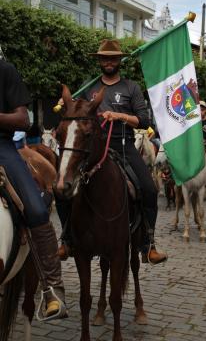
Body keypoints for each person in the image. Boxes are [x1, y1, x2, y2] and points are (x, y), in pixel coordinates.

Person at [58, 39, 167, 265]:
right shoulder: (88, 86)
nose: (108, 62)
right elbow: (77, 110)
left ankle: (148, 244)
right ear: (99, 60)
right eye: (104, 58)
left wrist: (120, 116)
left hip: (122, 144)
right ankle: (67, 238)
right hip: (91, 148)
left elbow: (144, 120)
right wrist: (69, 104)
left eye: (113, 58)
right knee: (62, 186)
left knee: (148, 188)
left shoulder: (131, 87)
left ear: (119, 61)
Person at [0, 55, 65, 318]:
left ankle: (52, 289)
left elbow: (22, 120)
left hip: (2, 148)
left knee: (37, 208)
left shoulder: (6, 70)